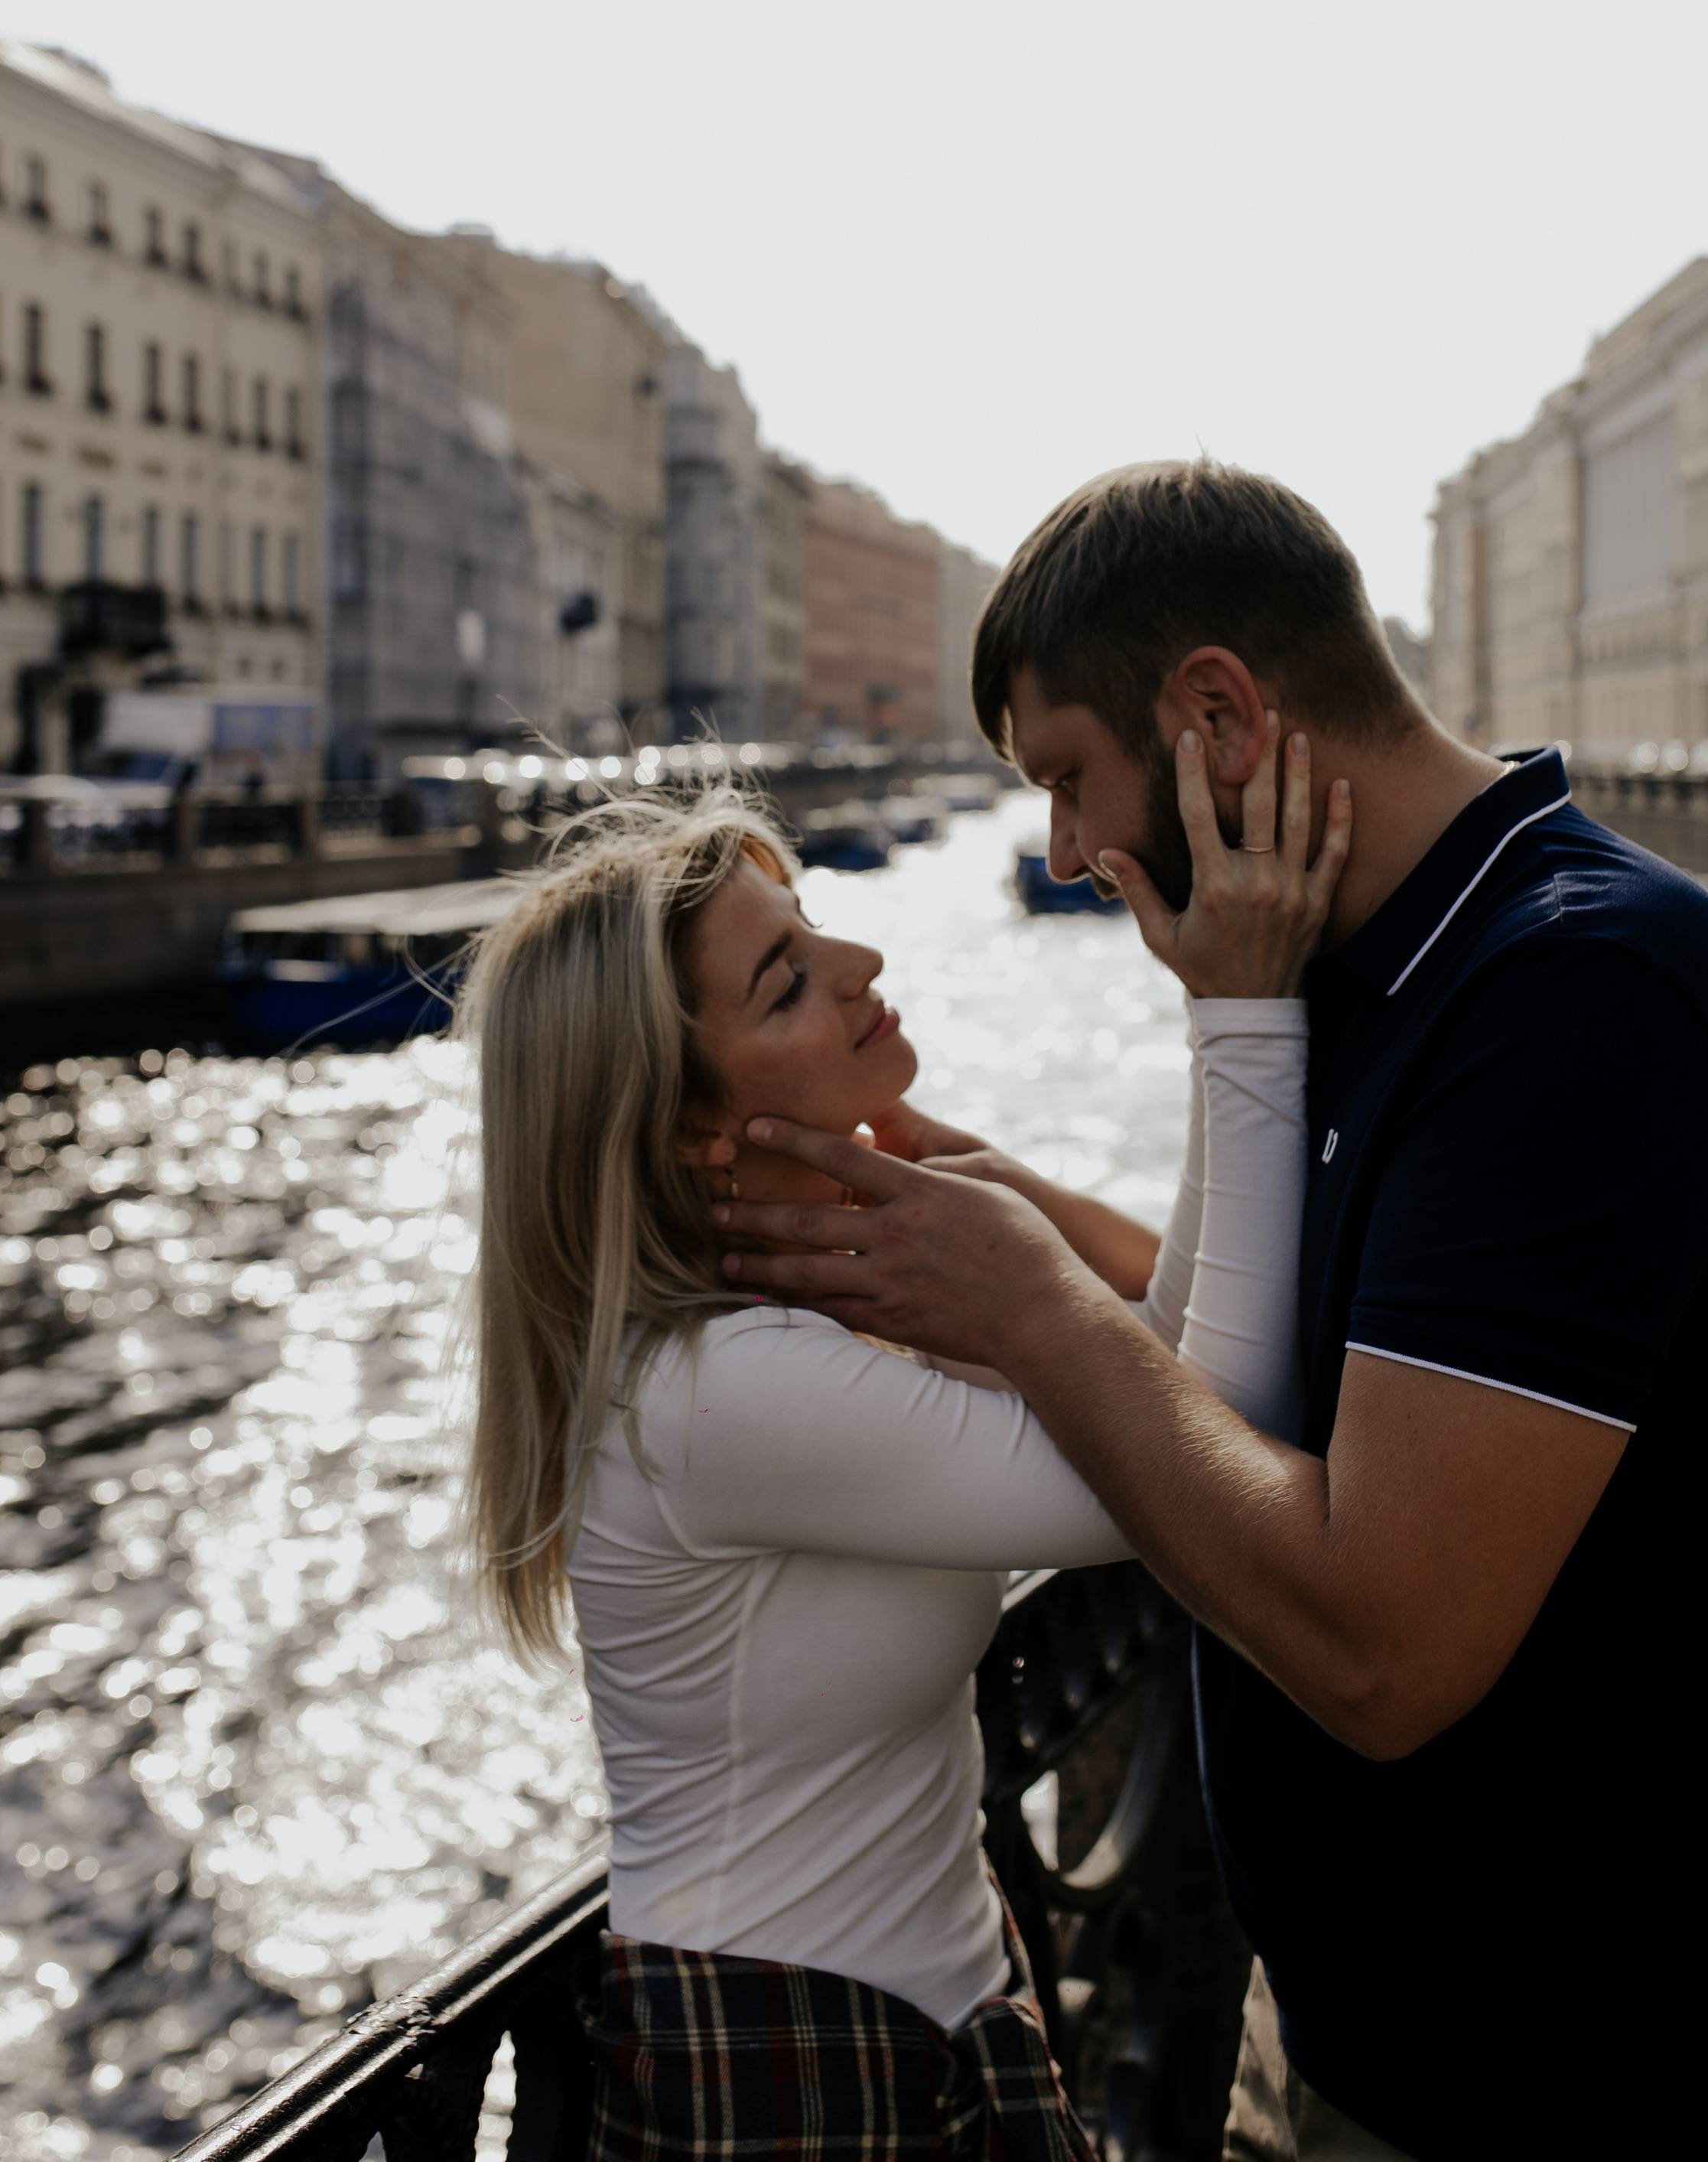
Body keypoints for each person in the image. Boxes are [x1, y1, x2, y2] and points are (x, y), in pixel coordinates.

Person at [712, 457, 1708, 2162]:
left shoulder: (1574, 994)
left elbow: (1382, 1647)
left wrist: (1032, 1307)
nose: (1063, 854)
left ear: (1215, 716)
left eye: (1067, 780)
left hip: (1615, 2085)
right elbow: (1342, 1335)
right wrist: (1009, 1212)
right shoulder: (1383, 959)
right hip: (1382, 2039)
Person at [457, 780, 1347, 2161]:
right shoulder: (720, 1390)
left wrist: (1023, 1214)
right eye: (785, 982)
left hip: (904, 2026)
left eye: (812, 925)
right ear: (692, 1127)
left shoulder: (816, 1311)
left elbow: (1158, 1386)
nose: (860, 961)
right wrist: (1241, 1014)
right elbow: (1204, 1444)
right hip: (786, 2078)